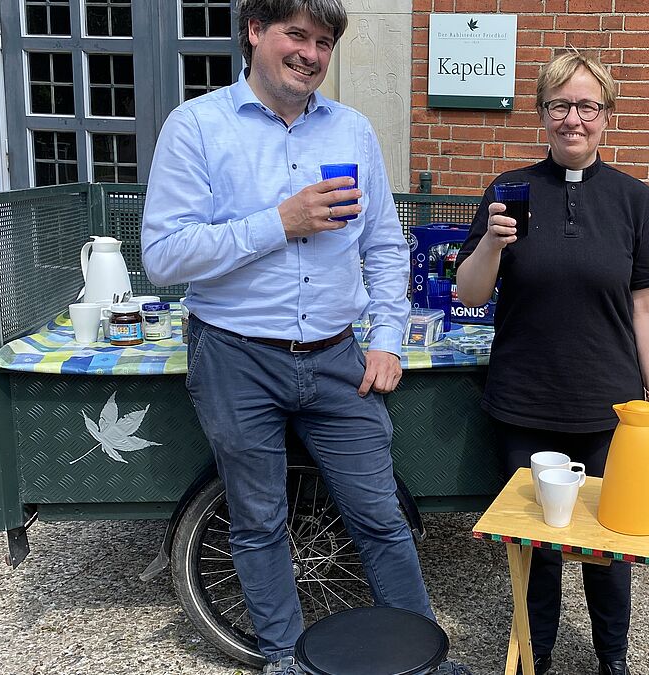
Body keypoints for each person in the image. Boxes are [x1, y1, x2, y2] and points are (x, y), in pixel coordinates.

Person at [141, 1, 469, 673]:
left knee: (380, 516)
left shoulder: (350, 130)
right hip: (234, 354)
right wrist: (280, 221)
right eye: (297, 34)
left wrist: (386, 337)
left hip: (336, 357)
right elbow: (164, 257)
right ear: (256, 33)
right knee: (259, 520)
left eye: (323, 42)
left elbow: (383, 245)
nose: (312, 53)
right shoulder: (197, 127)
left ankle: (422, 661)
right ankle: (287, 661)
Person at [455, 50, 649, 675]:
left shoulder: (635, 200)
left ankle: (612, 660)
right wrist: (493, 244)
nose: (573, 119)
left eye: (586, 106)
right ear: (542, 114)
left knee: (612, 546)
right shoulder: (508, 190)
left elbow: (648, 306)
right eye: (559, 106)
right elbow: (469, 293)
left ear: (607, 115)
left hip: (611, 408)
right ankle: (535, 655)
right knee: (535, 548)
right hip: (525, 400)